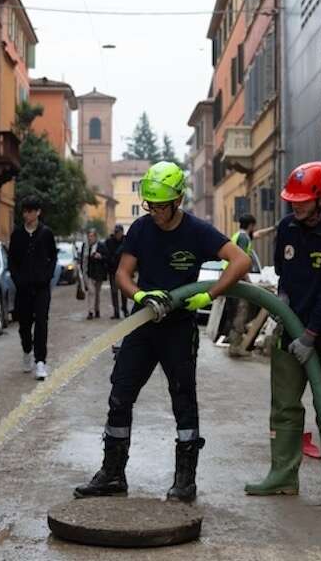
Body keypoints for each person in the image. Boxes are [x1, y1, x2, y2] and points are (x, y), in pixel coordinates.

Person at [75, 161, 251, 503]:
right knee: (120, 395)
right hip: (143, 325)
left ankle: (184, 481)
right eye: (150, 205)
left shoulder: (198, 232)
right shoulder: (140, 230)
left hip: (178, 328)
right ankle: (113, 473)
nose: (154, 212)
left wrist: (206, 294)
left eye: (160, 206)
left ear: (177, 200)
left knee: (183, 401)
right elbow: (123, 274)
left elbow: (240, 261)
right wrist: (140, 294)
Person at [245, 161, 321, 506]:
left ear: (320, 197)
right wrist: (283, 301)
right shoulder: (287, 228)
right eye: (293, 199)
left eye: (303, 199)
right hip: (288, 331)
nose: (296, 204)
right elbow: (284, 274)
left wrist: (310, 336)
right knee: (285, 406)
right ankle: (282, 476)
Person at [8, 196, 57, 381]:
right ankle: (27, 351)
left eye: (30, 211)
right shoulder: (17, 235)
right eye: (25, 211)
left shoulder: (46, 233)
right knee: (24, 324)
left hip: (42, 288)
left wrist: (47, 276)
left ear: (38, 212)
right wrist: (17, 279)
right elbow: (11, 260)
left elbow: (53, 257)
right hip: (23, 288)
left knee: (42, 324)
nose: (27, 215)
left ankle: (40, 362)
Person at [225, 213, 276, 356]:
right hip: (236, 280)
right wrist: (249, 282)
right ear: (251, 225)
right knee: (240, 313)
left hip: (232, 279)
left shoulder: (240, 235)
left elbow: (258, 235)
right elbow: (239, 261)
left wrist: (273, 228)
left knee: (238, 312)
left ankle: (236, 344)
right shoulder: (243, 238)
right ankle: (235, 348)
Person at [79, 229, 109, 319]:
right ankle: (90, 312)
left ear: (96, 237)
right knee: (91, 292)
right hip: (89, 273)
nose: (90, 238)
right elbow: (83, 260)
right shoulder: (85, 246)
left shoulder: (101, 246)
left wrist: (100, 256)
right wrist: (82, 271)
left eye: (92, 236)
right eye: (89, 236)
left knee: (97, 293)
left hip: (99, 273)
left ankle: (97, 310)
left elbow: (107, 257)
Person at [104, 224, 128, 318]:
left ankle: (125, 309)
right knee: (114, 292)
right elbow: (106, 255)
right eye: (116, 232)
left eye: (119, 232)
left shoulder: (126, 241)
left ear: (122, 232)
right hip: (113, 271)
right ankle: (116, 312)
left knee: (124, 292)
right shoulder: (109, 242)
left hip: (124, 271)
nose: (118, 234)